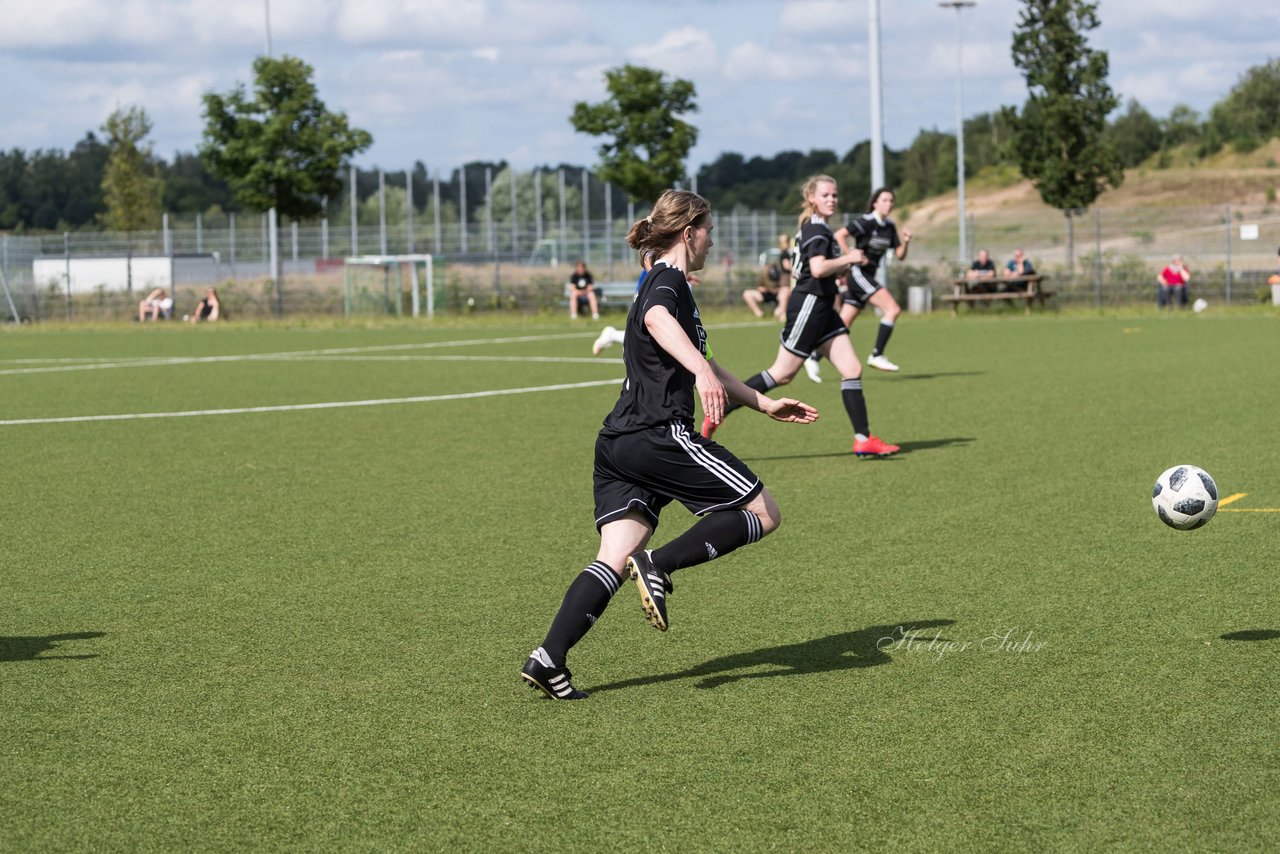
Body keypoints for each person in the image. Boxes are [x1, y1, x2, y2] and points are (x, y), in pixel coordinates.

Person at [521, 189, 820, 700]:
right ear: (689, 233)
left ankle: (548, 658)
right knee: (764, 510)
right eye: (709, 232)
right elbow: (661, 325)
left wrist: (760, 401)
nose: (711, 241)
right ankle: (660, 564)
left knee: (613, 555)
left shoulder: (660, 281)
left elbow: (706, 360)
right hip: (658, 432)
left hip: (618, 443)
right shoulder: (668, 282)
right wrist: (701, 372)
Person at [701, 174, 899, 458]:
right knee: (781, 375)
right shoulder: (816, 229)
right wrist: (849, 258)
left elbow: (803, 269)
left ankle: (862, 439)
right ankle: (719, 411)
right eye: (826, 195)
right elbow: (817, 269)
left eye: (835, 195)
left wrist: (838, 269)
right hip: (809, 306)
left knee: (852, 369)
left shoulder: (815, 227)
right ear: (812, 199)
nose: (832, 199)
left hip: (823, 307)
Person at [803, 187, 912, 380]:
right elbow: (839, 235)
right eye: (885, 200)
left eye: (891, 201)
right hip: (858, 274)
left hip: (867, 276)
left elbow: (901, 256)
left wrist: (906, 242)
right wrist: (850, 256)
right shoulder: (866, 222)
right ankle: (877, 354)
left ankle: (813, 357)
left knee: (843, 323)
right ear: (875, 203)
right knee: (893, 310)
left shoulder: (889, 226)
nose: (889, 204)